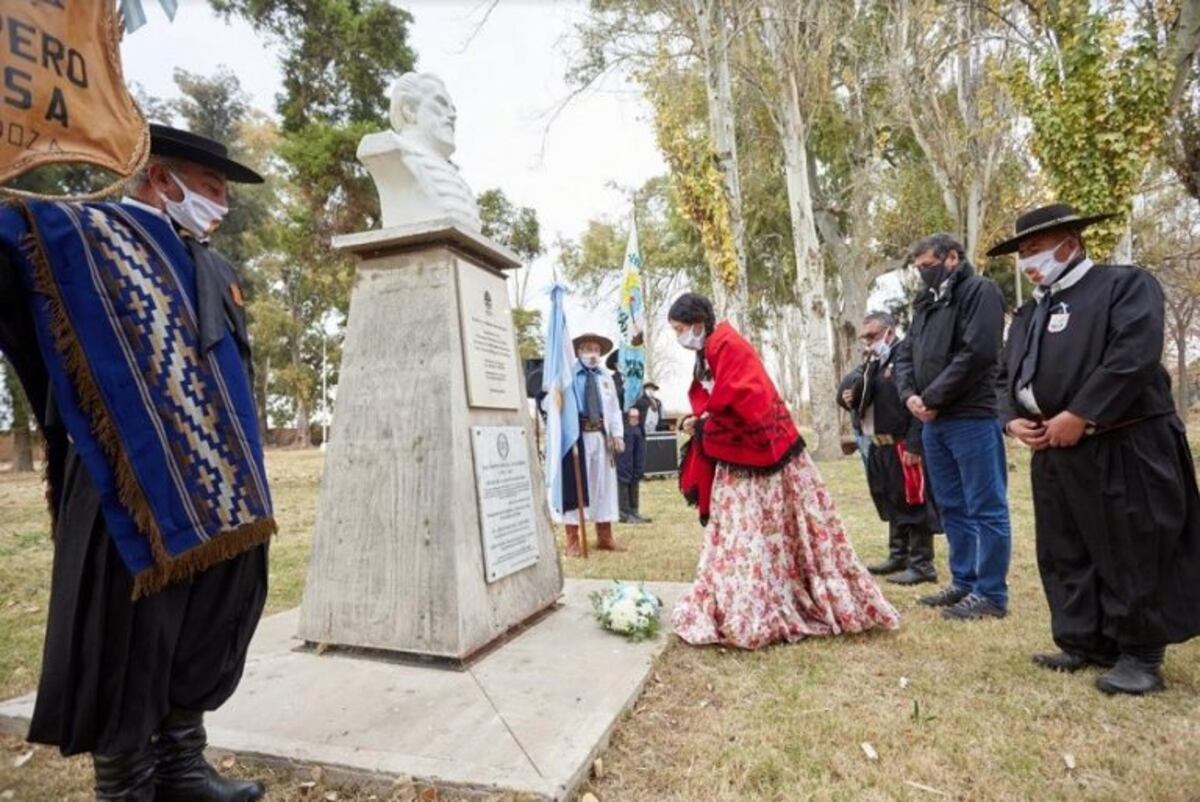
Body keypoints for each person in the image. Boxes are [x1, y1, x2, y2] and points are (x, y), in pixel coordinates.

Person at [0, 125, 271, 800]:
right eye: (209, 188)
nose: (220, 205)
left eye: (224, 194)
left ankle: (183, 768)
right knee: (124, 641)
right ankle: (125, 788)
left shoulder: (213, 266)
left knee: (202, 632)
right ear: (159, 179)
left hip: (222, 489)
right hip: (129, 484)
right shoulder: (80, 233)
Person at [990, 203, 1200, 694]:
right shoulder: (1028, 313)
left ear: (1071, 243)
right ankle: (1084, 640)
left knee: (1131, 545)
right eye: (1022, 253)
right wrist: (1011, 419)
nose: (1028, 260)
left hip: (1122, 440)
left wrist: (1082, 412)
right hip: (1051, 447)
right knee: (1065, 547)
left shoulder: (1123, 286)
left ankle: (1140, 653)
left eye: (1036, 248)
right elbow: (1004, 377)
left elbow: (1133, 355)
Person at [668, 293, 899, 649]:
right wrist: (701, 421)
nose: (679, 337)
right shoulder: (710, 351)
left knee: (774, 529)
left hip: (767, 458)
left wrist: (702, 426)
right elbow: (720, 402)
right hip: (741, 462)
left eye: (680, 329)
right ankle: (746, 595)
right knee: (745, 533)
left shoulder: (728, 345)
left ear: (698, 323)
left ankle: (771, 601)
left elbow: (750, 402)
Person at [895, 233, 1012, 621]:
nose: (923, 273)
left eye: (929, 265)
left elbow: (978, 352)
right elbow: (905, 355)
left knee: (986, 506)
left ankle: (991, 592)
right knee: (951, 506)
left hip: (972, 415)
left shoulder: (981, 292)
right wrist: (911, 397)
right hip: (933, 422)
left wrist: (932, 397)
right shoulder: (925, 302)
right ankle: (964, 581)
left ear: (952, 258)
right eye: (919, 268)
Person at [840, 312, 941, 586]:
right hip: (879, 442)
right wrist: (852, 396)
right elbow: (864, 396)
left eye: (872, 336)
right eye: (864, 337)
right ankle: (899, 555)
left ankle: (922, 563)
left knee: (914, 501)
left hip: (903, 442)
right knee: (892, 498)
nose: (868, 342)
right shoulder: (874, 361)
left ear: (889, 331)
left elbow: (918, 402)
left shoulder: (906, 357)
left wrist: (915, 443)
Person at [563, 333, 627, 555]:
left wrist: (617, 434)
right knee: (576, 485)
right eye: (588, 348)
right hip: (577, 436)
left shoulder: (605, 378)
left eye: (596, 350)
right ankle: (572, 538)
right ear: (579, 351)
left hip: (601, 435)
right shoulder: (568, 375)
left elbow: (614, 409)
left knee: (603, 485)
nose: (592, 354)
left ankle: (604, 536)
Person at [617, 408, 650, 524]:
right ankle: (624, 513)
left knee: (637, 471)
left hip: (637, 426)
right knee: (624, 471)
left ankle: (634, 511)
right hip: (625, 426)